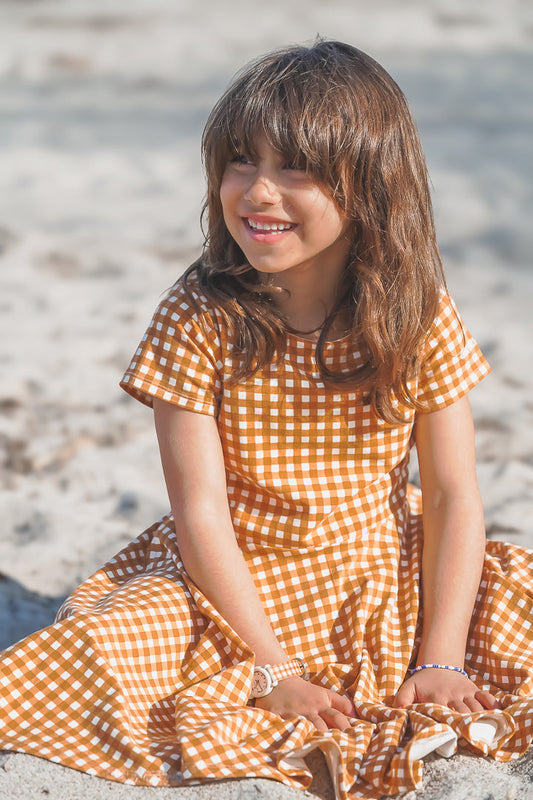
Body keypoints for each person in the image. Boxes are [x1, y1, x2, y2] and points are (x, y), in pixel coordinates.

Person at [0, 39, 531, 800]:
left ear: (370, 186)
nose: (257, 191)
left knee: (510, 610)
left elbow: (451, 494)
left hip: (380, 573)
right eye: (240, 161)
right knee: (85, 655)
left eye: (295, 169)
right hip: (226, 584)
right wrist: (272, 669)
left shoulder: (416, 314)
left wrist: (440, 656)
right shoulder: (197, 315)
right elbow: (200, 513)